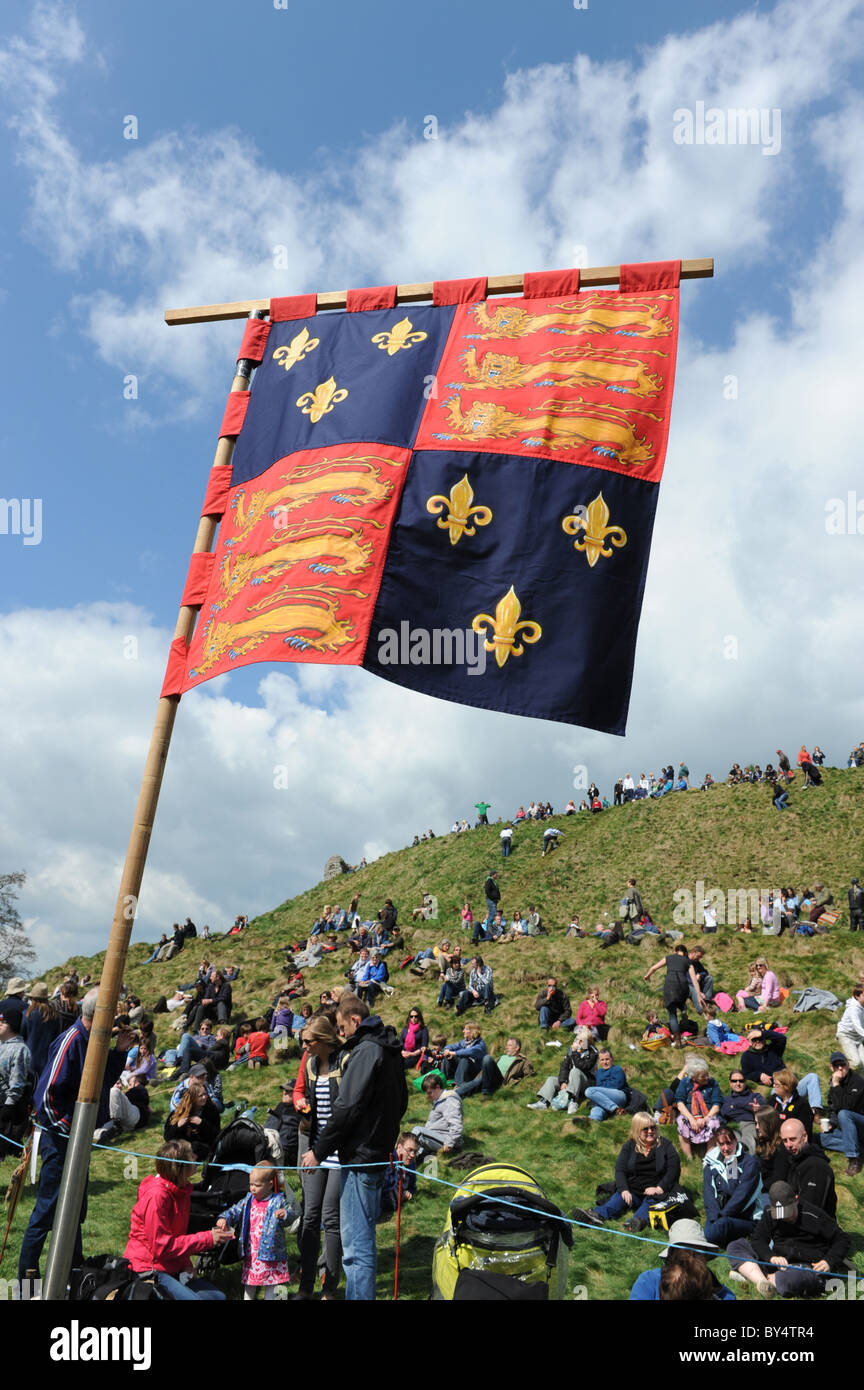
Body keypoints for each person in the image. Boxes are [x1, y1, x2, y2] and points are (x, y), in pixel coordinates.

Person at [18, 989, 133, 1281]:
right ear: (97, 1016)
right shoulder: (72, 1040)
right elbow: (45, 1097)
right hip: (60, 1139)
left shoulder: (94, 1042)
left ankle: (73, 1274)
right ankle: (25, 1283)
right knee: (46, 1213)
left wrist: (119, 1052)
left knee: (74, 1211)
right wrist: (71, 1127)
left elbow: (102, 1080)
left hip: (75, 1139)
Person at [301, 994, 407, 1302]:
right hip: (375, 1155)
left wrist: (319, 1151)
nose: (339, 1031)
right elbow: (401, 1103)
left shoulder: (365, 1051)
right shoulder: (389, 1050)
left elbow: (345, 1107)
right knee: (364, 1243)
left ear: (355, 1021)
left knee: (355, 1250)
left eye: (340, 1025)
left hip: (360, 1160)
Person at [124, 1139, 232, 1299]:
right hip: (147, 1268)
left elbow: (176, 1236)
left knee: (218, 1297)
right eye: (191, 1156)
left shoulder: (181, 1191)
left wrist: (186, 1265)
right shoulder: (157, 1197)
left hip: (168, 1265)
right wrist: (208, 1238)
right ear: (180, 1167)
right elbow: (162, 1247)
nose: (196, 1158)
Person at [727, 1181, 850, 1298]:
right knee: (736, 1246)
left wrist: (829, 1261)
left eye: (788, 1213)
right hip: (778, 1264)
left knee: (790, 1279)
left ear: (796, 1200)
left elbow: (842, 1238)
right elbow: (758, 1239)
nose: (785, 1218)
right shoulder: (769, 1214)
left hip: (806, 1267)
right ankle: (764, 1282)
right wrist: (771, 1257)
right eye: (780, 1215)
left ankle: (754, 1275)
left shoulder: (814, 1215)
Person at [572, 1113, 681, 1233]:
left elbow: (674, 1169)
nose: (650, 1131)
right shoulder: (629, 1146)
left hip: (655, 1191)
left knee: (650, 1202)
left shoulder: (665, 1145)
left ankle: (636, 1222)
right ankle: (595, 1216)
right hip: (633, 1189)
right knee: (618, 1198)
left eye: (653, 1127)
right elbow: (620, 1170)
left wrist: (660, 1187)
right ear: (637, 1130)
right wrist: (624, 1189)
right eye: (645, 1129)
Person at [217, 1162, 293, 1300]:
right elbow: (235, 1210)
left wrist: (285, 1214)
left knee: (271, 1283)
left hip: (272, 1253)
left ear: (270, 1184)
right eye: (251, 1184)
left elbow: (292, 1215)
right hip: (252, 1253)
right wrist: (225, 1218)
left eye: (257, 1185)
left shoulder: (278, 1200)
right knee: (250, 1283)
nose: (252, 1188)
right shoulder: (249, 1200)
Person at [628, 1219, 735, 1300]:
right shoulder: (649, 1280)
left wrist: (718, 1289)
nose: (690, 1258)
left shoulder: (709, 1283)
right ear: (672, 1256)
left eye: (696, 1253)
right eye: (685, 1253)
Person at [701, 1125, 762, 1246]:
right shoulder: (710, 1162)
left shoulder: (750, 1163)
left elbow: (739, 1195)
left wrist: (731, 1163)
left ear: (736, 1141)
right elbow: (708, 1193)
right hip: (719, 1215)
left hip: (745, 1217)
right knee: (712, 1230)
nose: (726, 1148)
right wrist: (714, 1217)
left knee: (717, 1229)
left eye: (729, 1143)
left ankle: (711, 1238)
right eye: (721, 1144)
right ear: (717, 1144)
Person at [644, 943, 705, 1042]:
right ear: (685, 953)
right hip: (683, 988)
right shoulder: (688, 961)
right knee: (682, 1006)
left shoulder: (668, 958)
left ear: (675, 951)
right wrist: (699, 996)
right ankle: (684, 1018)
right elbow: (694, 980)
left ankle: (677, 1040)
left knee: (672, 1014)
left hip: (670, 987)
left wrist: (647, 976)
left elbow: (654, 968)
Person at [529, 1027, 598, 1113]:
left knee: (575, 1071)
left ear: (588, 1042)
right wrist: (563, 1082)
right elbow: (564, 1067)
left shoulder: (592, 1053)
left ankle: (573, 1101)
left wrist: (574, 1053)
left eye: (582, 1041)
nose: (578, 1042)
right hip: (571, 1081)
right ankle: (544, 1102)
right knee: (552, 1080)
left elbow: (583, 1067)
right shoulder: (571, 1051)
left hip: (586, 1084)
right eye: (577, 1039)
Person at [819, 1051, 864, 1177]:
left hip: (861, 1124)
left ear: (848, 1064)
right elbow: (833, 1109)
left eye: (842, 1064)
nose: (840, 1068)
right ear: (831, 1067)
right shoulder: (833, 1084)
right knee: (822, 1138)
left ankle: (854, 1158)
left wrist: (836, 1085)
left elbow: (846, 1107)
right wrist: (831, 1124)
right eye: (836, 1065)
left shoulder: (857, 1082)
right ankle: (858, 1148)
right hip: (849, 1130)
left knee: (844, 1114)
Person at [780, 1118, 836, 1216]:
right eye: (785, 1140)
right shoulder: (795, 1161)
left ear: (805, 1137)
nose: (789, 1145)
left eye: (793, 1139)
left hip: (814, 1226)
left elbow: (811, 1210)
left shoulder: (816, 1166)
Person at [673, 1056, 722, 1159]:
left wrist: (705, 1118)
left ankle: (709, 1156)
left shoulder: (713, 1083)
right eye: (703, 1076)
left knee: (715, 1122)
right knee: (681, 1121)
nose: (707, 1078)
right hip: (689, 1115)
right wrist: (691, 1119)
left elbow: (717, 1104)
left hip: (707, 1115)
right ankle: (689, 1157)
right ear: (694, 1078)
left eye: (707, 1074)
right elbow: (680, 1103)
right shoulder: (685, 1082)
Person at [163, 1073, 220, 1161]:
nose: (204, 1097)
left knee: (196, 1147)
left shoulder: (211, 1111)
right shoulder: (179, 1112)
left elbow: (217, 1135)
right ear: (193, 1098)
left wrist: (201, 1123)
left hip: (203, 1146)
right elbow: (167, 1136)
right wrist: (178, 1125)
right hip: (183, 1145)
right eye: (201, 1096)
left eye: (205, 1094)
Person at [457, 1036, 533, 1100]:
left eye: (509, 1045)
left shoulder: (522, 1061)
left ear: (517, 1048)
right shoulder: (501, 1057)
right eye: (506, 1045)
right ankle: (454, 1094)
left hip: (500, 1081)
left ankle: (486, 1092)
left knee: (487, 1058)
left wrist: (516, 1081)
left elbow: (529, 1075)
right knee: (477, 1082)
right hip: (488, 1078)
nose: (506, 1047)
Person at [0, 1001, 31, 1152]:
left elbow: (17, 1081)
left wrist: (8, 1105)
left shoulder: (20, 1050)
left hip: (4, 1106)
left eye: (3, 1022)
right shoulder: (2, 1045)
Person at [412, 1073, 463, 1158]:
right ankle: (416, 1156)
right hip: (439, 1136)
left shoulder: (450, 1100)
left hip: (448, 1142)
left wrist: (449, 1144)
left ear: (438, 1087)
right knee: (410, 1136)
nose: (428, 1096)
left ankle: (413, 1159)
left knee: (418, 1132)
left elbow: (457, 1125)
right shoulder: (440, 1100)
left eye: (429, 1093)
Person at [720, 1070, 764, 1154]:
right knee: (734, 1140)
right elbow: (724, 1112)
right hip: (732, 1125)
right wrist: (748, 1107)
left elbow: (764, 1109)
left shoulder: (755, 1096)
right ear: (730, 1083)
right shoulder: (725, 1100)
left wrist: (758, 1109)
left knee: (749, 1140)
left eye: (741, 1081)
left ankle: (749, 1161)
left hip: (749, 1123)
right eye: (734, 1081)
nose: (738, 1083)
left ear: (745, 1082)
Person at [583, 1047, 630, 1122]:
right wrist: (605, 1086)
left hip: (619, 1096)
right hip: (606, 1098)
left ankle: (615, 1109)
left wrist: (603, 1086)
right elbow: (600, 1087)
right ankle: (593, 1120)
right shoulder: (599, 1072)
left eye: (607, 1059)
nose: (605, 1062)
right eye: (602, 1060)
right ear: (599, 1061)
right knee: (597, 1107)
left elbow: (616, 1086)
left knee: (589, 1091)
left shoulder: (617, 1069)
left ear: (612, 1059)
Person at [755, 1107, 792, 1197]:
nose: (756, 1127)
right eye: (756, 1123)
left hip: (772, 1192)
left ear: (769, 1124)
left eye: (759, 1123)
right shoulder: (763, 1142)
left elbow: (779, 1178)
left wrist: (756, 1187)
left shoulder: (781, 1148)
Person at [380, 1133, 419, 1214]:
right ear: (399, 1147)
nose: (412, 1155)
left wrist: (409, 1192)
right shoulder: (388, 1161)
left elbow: (413, 1186)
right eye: (409, 1150)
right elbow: (384, 1188)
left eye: (415, 1151)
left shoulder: (411, 1164)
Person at [771, 1067, 813, 1139]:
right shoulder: (772, 1100)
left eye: (777, 1084)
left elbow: (806, 1130)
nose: (773, 1086)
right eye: (774, 1084)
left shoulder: (802, 1104)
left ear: (787, 1087)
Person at [836, 986, 864, 1068]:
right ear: (857, 996)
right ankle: (838, 1069)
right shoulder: (853, 1008)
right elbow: (857, 1026)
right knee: (856, 1063)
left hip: (857, 1038)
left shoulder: (862, 1006)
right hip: (846, 1036)